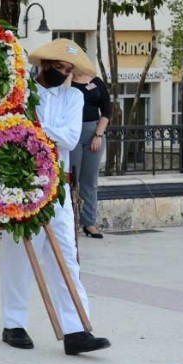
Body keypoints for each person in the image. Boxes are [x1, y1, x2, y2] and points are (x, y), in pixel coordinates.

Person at [1, 39, 111, 355]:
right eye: (56, 66)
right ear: (43, 64)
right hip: (22, 185)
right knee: (20, 255)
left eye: (66, 68)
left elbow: (69, 138)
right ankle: (14, 323)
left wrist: (34, 126)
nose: (60, 72)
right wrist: (35, 127)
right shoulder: (21, 95)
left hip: (58, 187)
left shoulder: (74, 97)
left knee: (66, 256)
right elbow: (11, 133)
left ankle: (76, 329)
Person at [70, 72, 111, 239]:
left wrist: (98, 135)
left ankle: (89, 223)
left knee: (89, 181)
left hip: (93, 132)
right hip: (71, 132)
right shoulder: (66, 82)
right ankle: (69, 222)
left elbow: (107, 111)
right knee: (71, 180)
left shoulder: (96, 82)